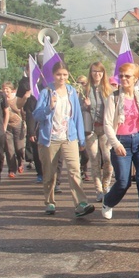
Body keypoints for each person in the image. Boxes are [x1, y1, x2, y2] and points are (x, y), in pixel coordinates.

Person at [32, 61, 94, 217]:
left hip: (69, 136)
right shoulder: (46, 92)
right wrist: (49, 108)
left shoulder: (72, 92)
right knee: (50, 173)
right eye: (59, 74)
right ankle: (50, 202)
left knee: (74, 170)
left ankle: (80, 203)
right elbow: (36, 115)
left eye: (65, 75)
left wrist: (81, 139)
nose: (62, 77)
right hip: (50, 138)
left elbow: (77, 117)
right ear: (53, 75)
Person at [101, 62, 139, 227]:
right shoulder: (114, 97)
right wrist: (116, 144)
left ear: (135, 78)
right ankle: (108, 202)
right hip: (121, 141)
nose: (124, 79)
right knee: (124, 182)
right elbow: (107, 124)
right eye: (121, 75)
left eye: (128, 76)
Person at [80, 62, 114, 202]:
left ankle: (106, 185)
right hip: (91, 128)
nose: (97, 74)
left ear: (103, 73)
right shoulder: (84, 90)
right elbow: (78, 110)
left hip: (105, 129)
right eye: (94, 71)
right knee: (94, 159)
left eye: (100, 72)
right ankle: (98, 190)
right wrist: (85, 105)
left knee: (107, 159)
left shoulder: (109, 89)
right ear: (91, 72)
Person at [1, 81, 25, 179]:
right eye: (4, 89)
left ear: (12, 90)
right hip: (7, 126)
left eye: (7, 89)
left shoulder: (16, 99)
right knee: (9, 150)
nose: (5, 91)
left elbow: (21, 110)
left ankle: (21, 162)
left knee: (19, 148)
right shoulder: (1, 100)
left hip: (18, 125)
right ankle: (12, 169)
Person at [76, 75, 91, 182]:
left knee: (85, 152)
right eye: (79, 83)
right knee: (78, 150)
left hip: (87, 125)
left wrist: (88, 106)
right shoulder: (74, 95)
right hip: (76, 125)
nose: (81, 85)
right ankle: (81, 171)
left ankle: (83, 167)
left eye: (83, 83)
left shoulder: (88, 95)